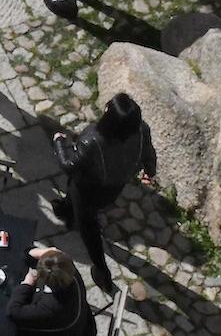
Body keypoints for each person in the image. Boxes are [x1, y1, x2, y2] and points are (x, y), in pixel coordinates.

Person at [51, 93, 157, 297]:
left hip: (89, 188)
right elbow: (148, 152)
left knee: (88, 228)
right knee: (74, 196)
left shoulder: (93, 139)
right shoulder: (142, 130)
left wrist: (59, 143)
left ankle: (102, 271)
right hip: (114, 186)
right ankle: (66, 210)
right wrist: (150, 170)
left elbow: (69, 165)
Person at [0, 246, 96, 336]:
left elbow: (14, 312)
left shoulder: (49, 308)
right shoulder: (70, 273)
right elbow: (29, 255)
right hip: (81, 333)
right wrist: (45, 253)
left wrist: (28, 282)